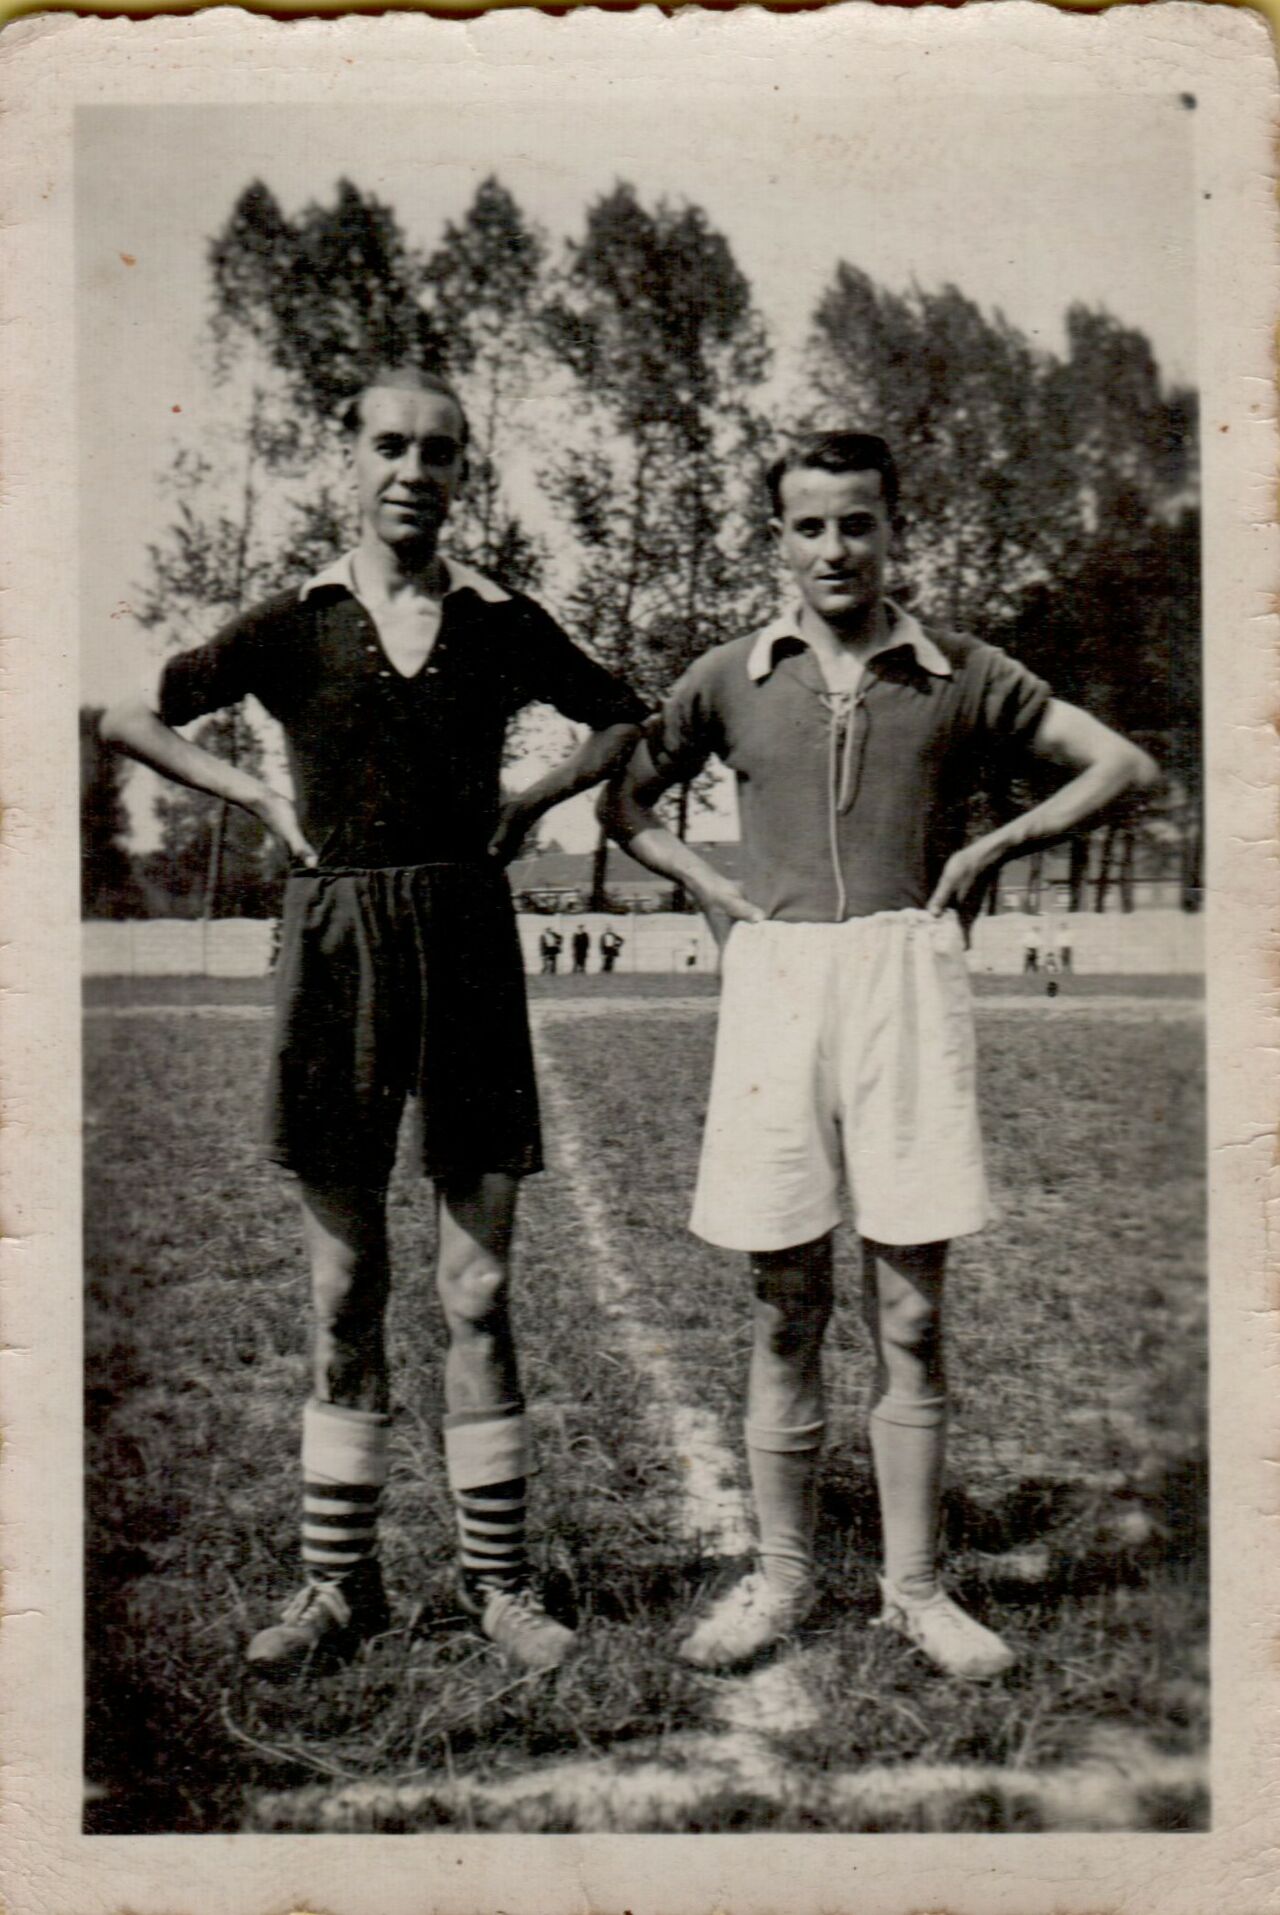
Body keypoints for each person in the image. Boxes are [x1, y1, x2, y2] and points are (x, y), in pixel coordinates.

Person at [102, 363, 647, 1677]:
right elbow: (131, 714)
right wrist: (256, 796)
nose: (414, 470)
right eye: (391, 446)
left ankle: (498, 1584)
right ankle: (336, 1585)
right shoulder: (296, 620)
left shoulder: (502, 618)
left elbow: (627, 714)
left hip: (465, 935)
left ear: (465, 473)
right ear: (347, 459)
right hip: (337, 935)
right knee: (346, 1282)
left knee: (481, 1282)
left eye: (440, 452)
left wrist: (532, 805)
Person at [602, 429, 1157, 1679]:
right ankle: (782, 1575)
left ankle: (913, 1588)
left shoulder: (959, 671)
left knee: (909, 1305)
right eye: (808, 526)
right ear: (778, 540)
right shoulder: (732, 674)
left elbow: (1120, 763)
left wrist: (988, 850)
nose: (833, 548)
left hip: (906, 975)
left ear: (893, 530)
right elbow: (624, 803)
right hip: (780, 982)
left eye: (857, 523)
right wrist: (710, 886)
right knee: (782, 1300)